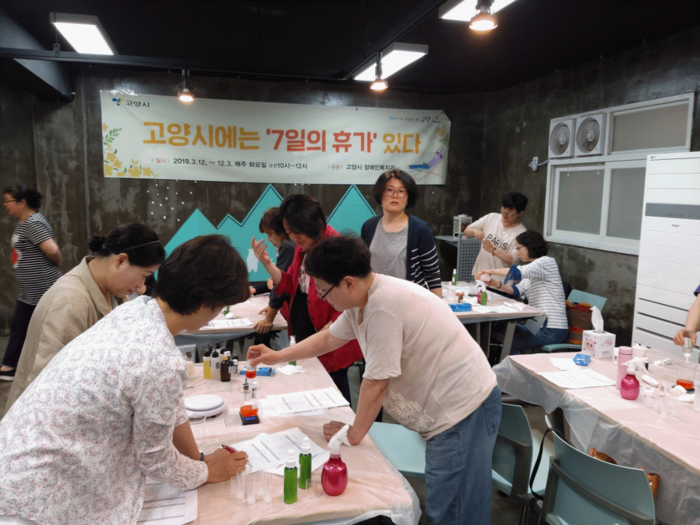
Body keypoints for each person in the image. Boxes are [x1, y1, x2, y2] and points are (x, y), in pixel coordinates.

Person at [247, 236, 500, 525]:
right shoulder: (362, 300)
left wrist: (354, 434)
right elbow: (328, 338)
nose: (322, 298)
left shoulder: (383, 306)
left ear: (348, 283)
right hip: (449, 411)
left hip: (462, 412)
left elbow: (377, 383)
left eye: (323, 290)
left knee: (454, 512)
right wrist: (277, 356)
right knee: (451, 503)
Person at [0, 235, 249, 524]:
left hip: (16, 462)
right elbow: (155, 460)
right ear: (205, 303)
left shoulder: (136, 310)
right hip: (32, 498)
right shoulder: (158, 358)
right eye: (219, 308)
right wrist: (207, 471)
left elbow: (166, 405)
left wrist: (197, 458)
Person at [5, 223, 165, 411]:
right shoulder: (71, 303)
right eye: (144, 275)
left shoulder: (114, 291)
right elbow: (48, 389)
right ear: (120, 261)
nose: (141, 286)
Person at [250, 194, 363, 404]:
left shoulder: (334, 247)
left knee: (334, 392)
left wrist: (328, 332)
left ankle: (343, 423)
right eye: (289, 232)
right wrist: (267, 263)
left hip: (330, 335)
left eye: (296, 231)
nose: (293, 237)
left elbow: (349, 301)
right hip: (310, 331)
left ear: (310, 223)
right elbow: (290, 283)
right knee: (316, 391)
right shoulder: (303, 246)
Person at [1, 185, 62, 381]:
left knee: (49, 329)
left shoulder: (33, 222)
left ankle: (54, 367)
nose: (5, 204)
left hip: (43, 287)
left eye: (8, 200)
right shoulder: (24, 222)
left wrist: (57, 262)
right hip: (30, 290)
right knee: (19, 325)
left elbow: (52, 250)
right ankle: (9, 367)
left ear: (22, 202)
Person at [476, 230, 568, 354]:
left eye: (519, 248)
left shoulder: (546, 262)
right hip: (538, 326)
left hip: (552, 329)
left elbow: (516, 272)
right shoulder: (532, 271)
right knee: (500, 333)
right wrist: (497, 284)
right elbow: (516, 291)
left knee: (510, 343)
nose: (517, 252)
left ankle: (512, 367)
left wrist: (490, 271)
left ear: (530, 246)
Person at [360, 169, 442, 297]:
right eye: (389, 190)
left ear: (408, 197)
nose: (395, 195)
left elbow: (432, 274)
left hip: (410, 300)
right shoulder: (369, 226)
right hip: (375, 299)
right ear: (380, 194)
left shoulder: (420, 229)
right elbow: (362, 268)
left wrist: (438, 306)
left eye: (401, 191)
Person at [462, 191, 528, 283]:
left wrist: (493, 250)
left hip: (503, 283)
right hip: (481, 276)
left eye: (510, 211)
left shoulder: (521, 233)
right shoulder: (491, 217)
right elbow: (466, 232)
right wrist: (474, 231)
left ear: (520, 212)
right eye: (503, 208)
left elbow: (513, 260)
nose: (505, 213)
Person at [251, 208, 295, 337]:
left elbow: (281, 285)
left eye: (270, 234)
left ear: (281, 230)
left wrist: (269, 318)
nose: (269, 240)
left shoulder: (287, 247)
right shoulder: (292, 246)